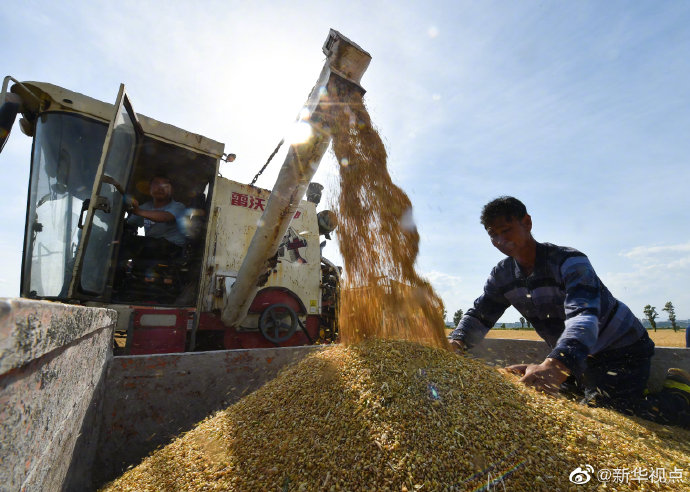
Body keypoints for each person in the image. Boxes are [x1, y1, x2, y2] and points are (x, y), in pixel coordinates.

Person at [449, 196, 690, 428]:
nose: (500, 240)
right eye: (493, 235)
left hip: (621, 350)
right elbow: (480, 314)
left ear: (527, 223)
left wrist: (556, 366)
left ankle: (679, 396)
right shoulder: (502, 275)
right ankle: (596, 382)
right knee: (552, 396)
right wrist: (457, 342)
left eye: (506, 230)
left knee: (610, 412)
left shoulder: (569, 262)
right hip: (576, 355)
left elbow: (583, 316)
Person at [125, 175, 187, 258]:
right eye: (156, 184)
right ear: (149, 189)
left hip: (172, 251)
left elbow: (165, 217)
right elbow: (130, 224)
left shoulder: (178, 207)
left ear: (172, 190)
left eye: (165, 185)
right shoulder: (145, 207)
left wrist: (138, 211)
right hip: (150, 248)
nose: (160, 188)